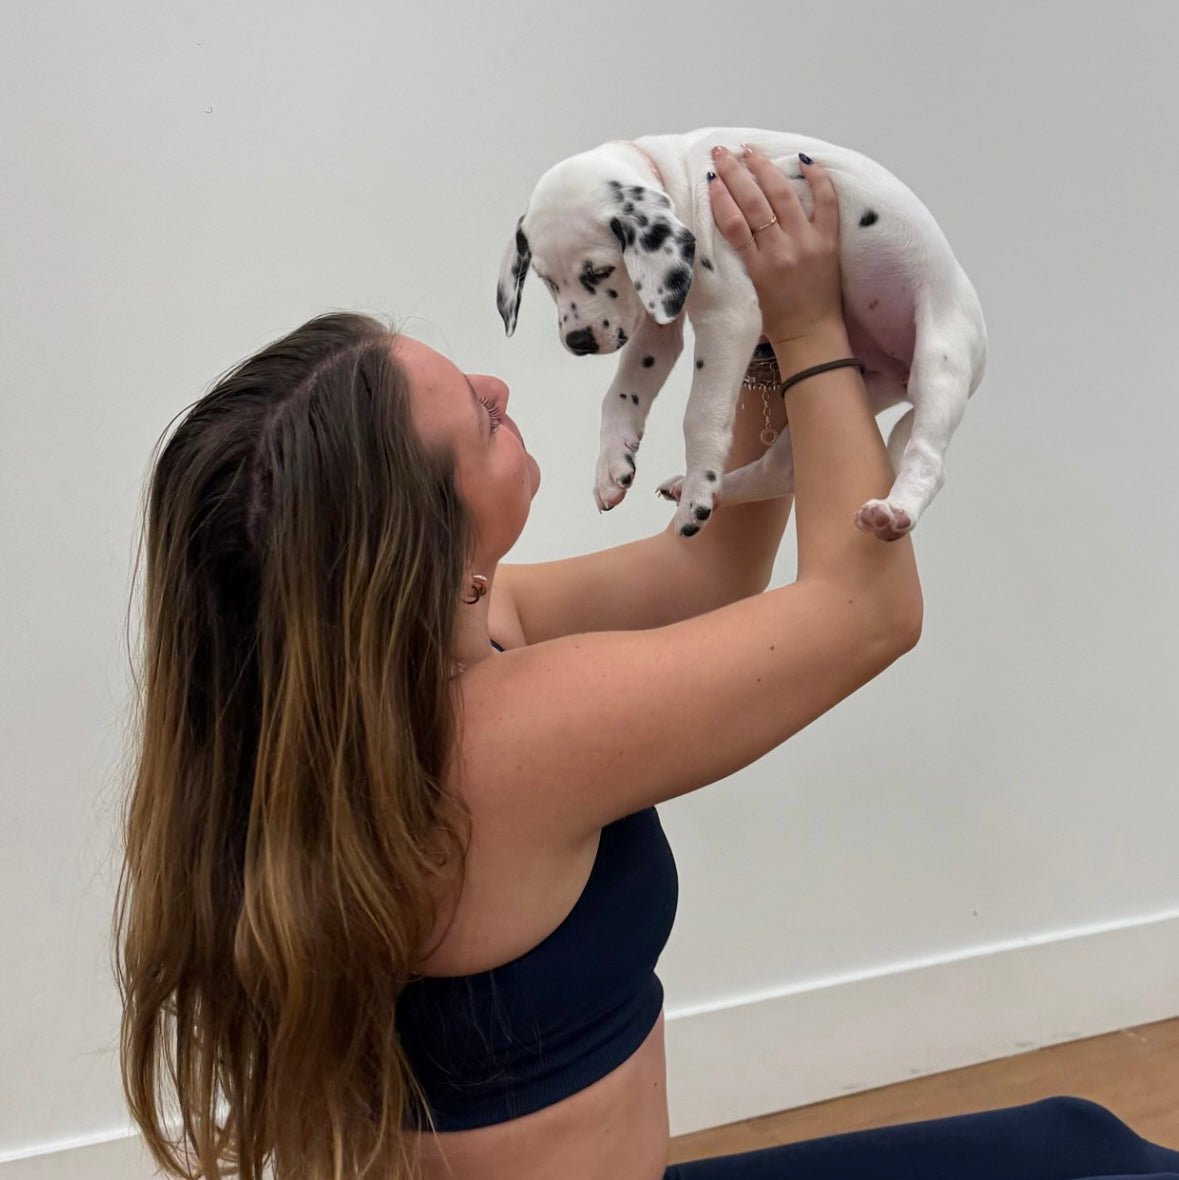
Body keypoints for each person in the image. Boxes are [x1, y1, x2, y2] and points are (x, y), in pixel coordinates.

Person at [113, 145, 1179, 1180]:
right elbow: (868, 610)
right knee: (1096, 1164)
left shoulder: (375, 683)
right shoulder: (504, 737)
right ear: (426, 546)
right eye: (480, 417)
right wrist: (811, 328)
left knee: (1080, 1145)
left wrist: (752, 326)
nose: (500, 383)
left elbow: (713, 570)